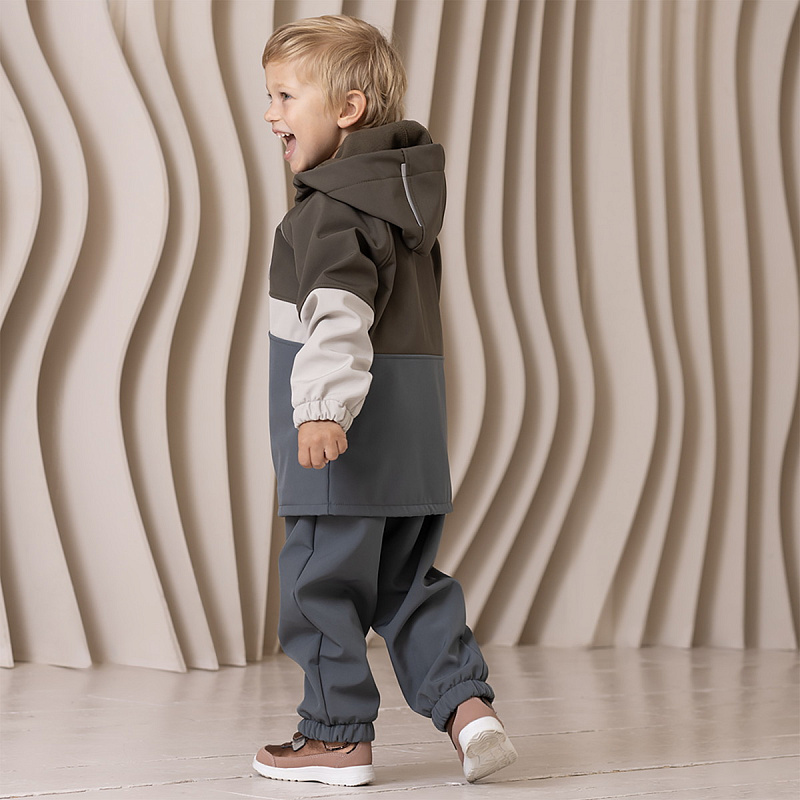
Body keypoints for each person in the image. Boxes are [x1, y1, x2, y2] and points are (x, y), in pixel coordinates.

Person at [253, 14, 517, 788]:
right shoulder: (402, 205)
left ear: (348, 109)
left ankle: (334, 737)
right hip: (414, 443)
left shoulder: (328, 208)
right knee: (407, 587)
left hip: (346, 444)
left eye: (285, 96)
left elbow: (339, 311)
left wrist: (321, 411)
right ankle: (469, 710)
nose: (270, 114)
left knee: (320, 585)